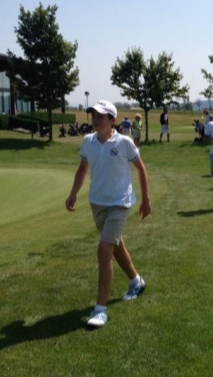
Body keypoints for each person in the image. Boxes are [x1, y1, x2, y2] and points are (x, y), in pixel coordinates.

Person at [65, 100, 151, 329]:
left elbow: (141, 168)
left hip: (120, 203)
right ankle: (136, 281)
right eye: (93, 115)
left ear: (112, 120)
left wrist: (146, 200)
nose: (95, 119)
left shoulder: (124, 142)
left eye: (101, 116)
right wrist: (73, 193)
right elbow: (83, 168)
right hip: (97, 203)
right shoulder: (88, 142)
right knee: (115, 245)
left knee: (104, 250)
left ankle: (100, 310)